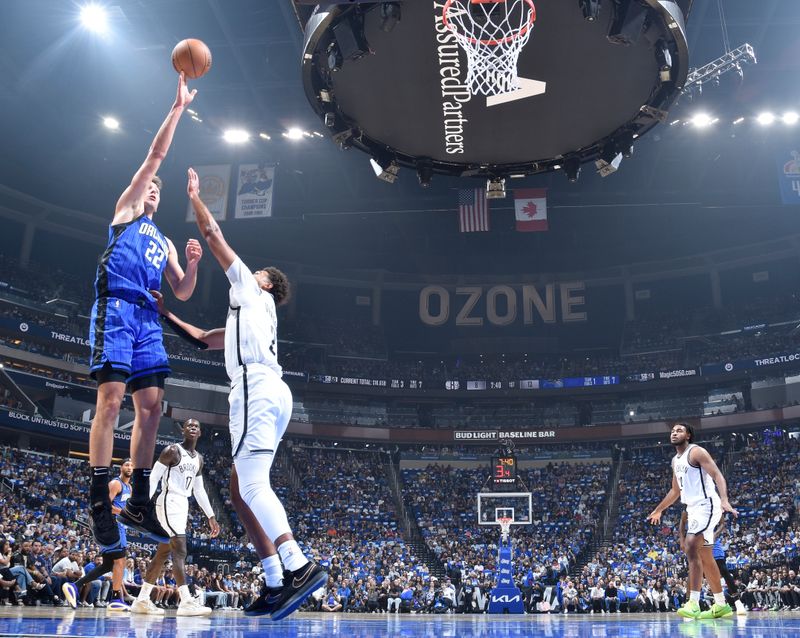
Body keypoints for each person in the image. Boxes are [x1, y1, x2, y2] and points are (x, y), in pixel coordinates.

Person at [149, 167, 327, 620]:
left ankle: (298, 566)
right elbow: (202, 339)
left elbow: (212, 233)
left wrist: (195, 198)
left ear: (264, 283)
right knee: (238, 490)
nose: (251, 269)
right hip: (272, 390)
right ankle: (273, 581)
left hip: (255, 388)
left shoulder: (250, 288)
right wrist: (166, 313)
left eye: (259, 270)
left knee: (251, 484)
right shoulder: (247, 318)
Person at [87, 72, 203, 550]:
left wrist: (193, 265)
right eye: (148, 185)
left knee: (152, 408)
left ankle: (136, 499)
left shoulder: (165, 239)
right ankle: (99, 496)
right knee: (111, 400)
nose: (153, 188)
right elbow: (155, 157)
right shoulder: (126, 210)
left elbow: (182, 292)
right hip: (117, 305)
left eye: (158, 188)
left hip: (147, 319)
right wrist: (177, 109)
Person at [647, 422, 738, 620]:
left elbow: (717, 475)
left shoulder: (696, 452)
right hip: (693, 508)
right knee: (705, 557)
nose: (674, 433)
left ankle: (694, 603)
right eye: (672, 430)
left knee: (690, 546)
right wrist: (658, 510)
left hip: (707, 505)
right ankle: (721, 605)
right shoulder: (675, 460)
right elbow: (675, 491)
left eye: (679, 430)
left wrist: (724, 499)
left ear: (688, 435)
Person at [131, 418, 219, 616]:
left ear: (200, 432)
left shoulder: (199, 459)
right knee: (180, 549)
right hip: (169, 500)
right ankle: (186, 601)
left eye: (196, 426)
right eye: (189, 425)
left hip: (183, 504)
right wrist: (143, 502)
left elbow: (199, 489)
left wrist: (211, 516)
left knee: (163, 552)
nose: (193, 428)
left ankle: (142, 600)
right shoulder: (172, 451)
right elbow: (154, 477)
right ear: (183, 431)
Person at [64, 460, 134, 611]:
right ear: (121, 467)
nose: (129, 467)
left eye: (132, 465)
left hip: (120, 526)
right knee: (120, 562)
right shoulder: (116, 484)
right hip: (111, 525)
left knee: (108, 565)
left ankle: (74, 586)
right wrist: (123, 513)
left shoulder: (129, 487)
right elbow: (104, 505)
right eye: (127, 465)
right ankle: (116, 599)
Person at [680, 511, 747, 615]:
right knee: (693, 573)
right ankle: (689, 603)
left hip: (711, 540)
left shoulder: (713, 504)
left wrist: (715, 534)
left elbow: (722, 523)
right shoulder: (689, 506)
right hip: (695, 541)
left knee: (723, 570)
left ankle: (738, 602)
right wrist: (682, 539)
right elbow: (682, 522)